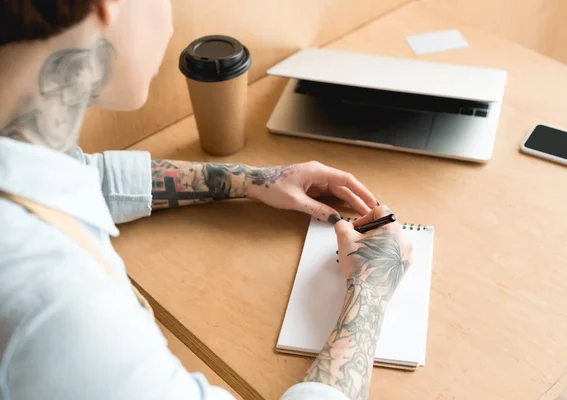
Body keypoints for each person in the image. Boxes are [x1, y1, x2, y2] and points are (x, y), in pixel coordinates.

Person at [0, 1, 413, 399]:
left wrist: (250, 179)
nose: (171, 23)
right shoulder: (55, 304)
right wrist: (371, 291)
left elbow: (78, 175)